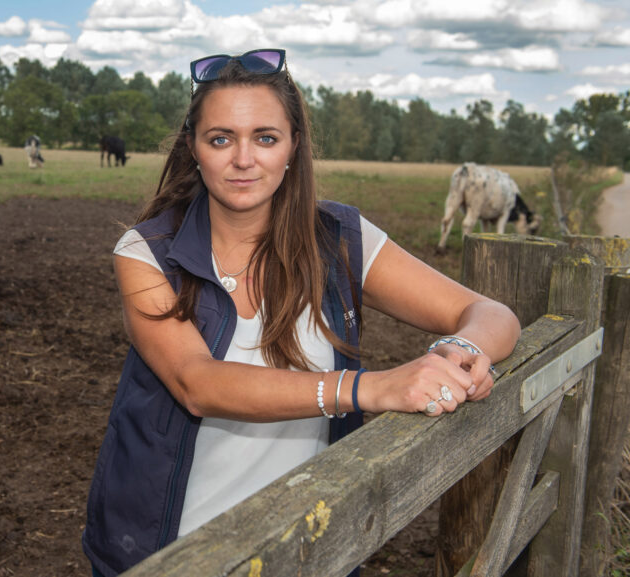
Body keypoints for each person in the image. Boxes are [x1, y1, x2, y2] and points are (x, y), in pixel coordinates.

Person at [81, 48, 521, 577]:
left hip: (308, 546)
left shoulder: (339, 239)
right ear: (194, 148)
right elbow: (198, 382)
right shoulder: (148, 252)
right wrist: (369, 388)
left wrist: (464, 351)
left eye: (265, 138)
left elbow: (489, 312)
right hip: (170, 553)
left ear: (293, 146)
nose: (244, 159)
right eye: (221, 139)